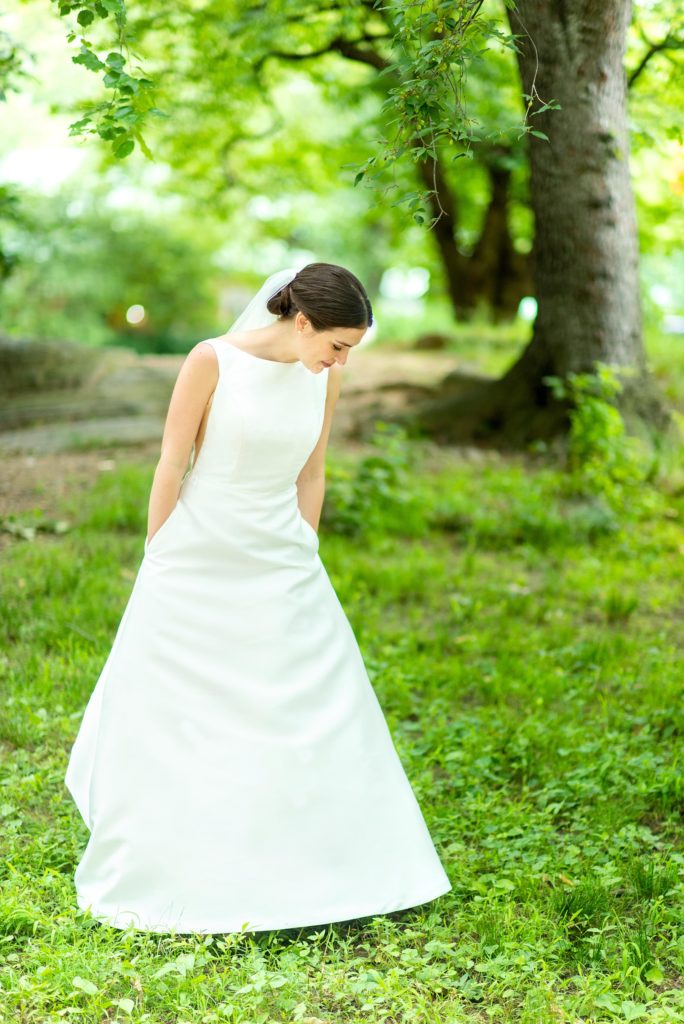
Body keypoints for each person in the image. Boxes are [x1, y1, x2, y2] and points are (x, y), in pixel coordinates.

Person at [65, 261, 452, 934]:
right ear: (301, 322)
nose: (339, 361)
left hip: (283, 558)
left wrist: (305, 543)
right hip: (201, 550)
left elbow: (313, 469)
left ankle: (317, 863)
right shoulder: (211, 361)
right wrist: (160, 549)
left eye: (349, 351)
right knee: (181, 705)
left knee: (309, 704)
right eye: (335, 345)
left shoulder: (324, 378)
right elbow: (172, 460)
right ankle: (182, 853)